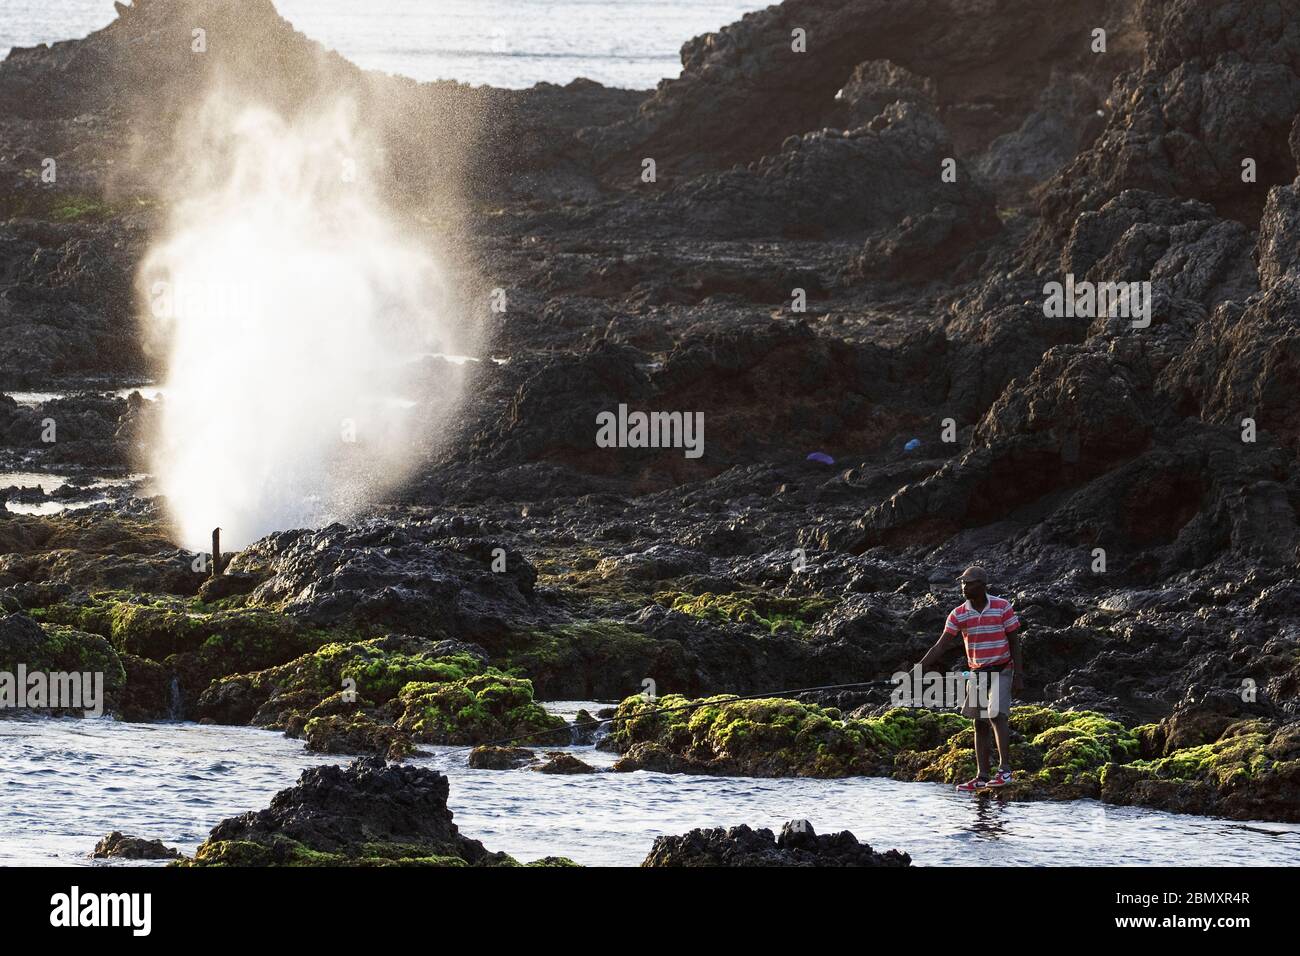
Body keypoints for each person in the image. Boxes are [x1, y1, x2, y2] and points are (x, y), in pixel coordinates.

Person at [917, 565, 1023, 791]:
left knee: (996, 714)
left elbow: (1015, 641)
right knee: (979, 722)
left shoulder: (1002, 607)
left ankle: (1005, 771)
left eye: (969, 582)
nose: (964, 587)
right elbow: (940, 646)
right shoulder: (958, 614)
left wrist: (1018, 675)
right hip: (977, 672)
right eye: (962, 582)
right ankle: (982, 776)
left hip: (1002, 669)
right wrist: (918, 670)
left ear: (983, 585)